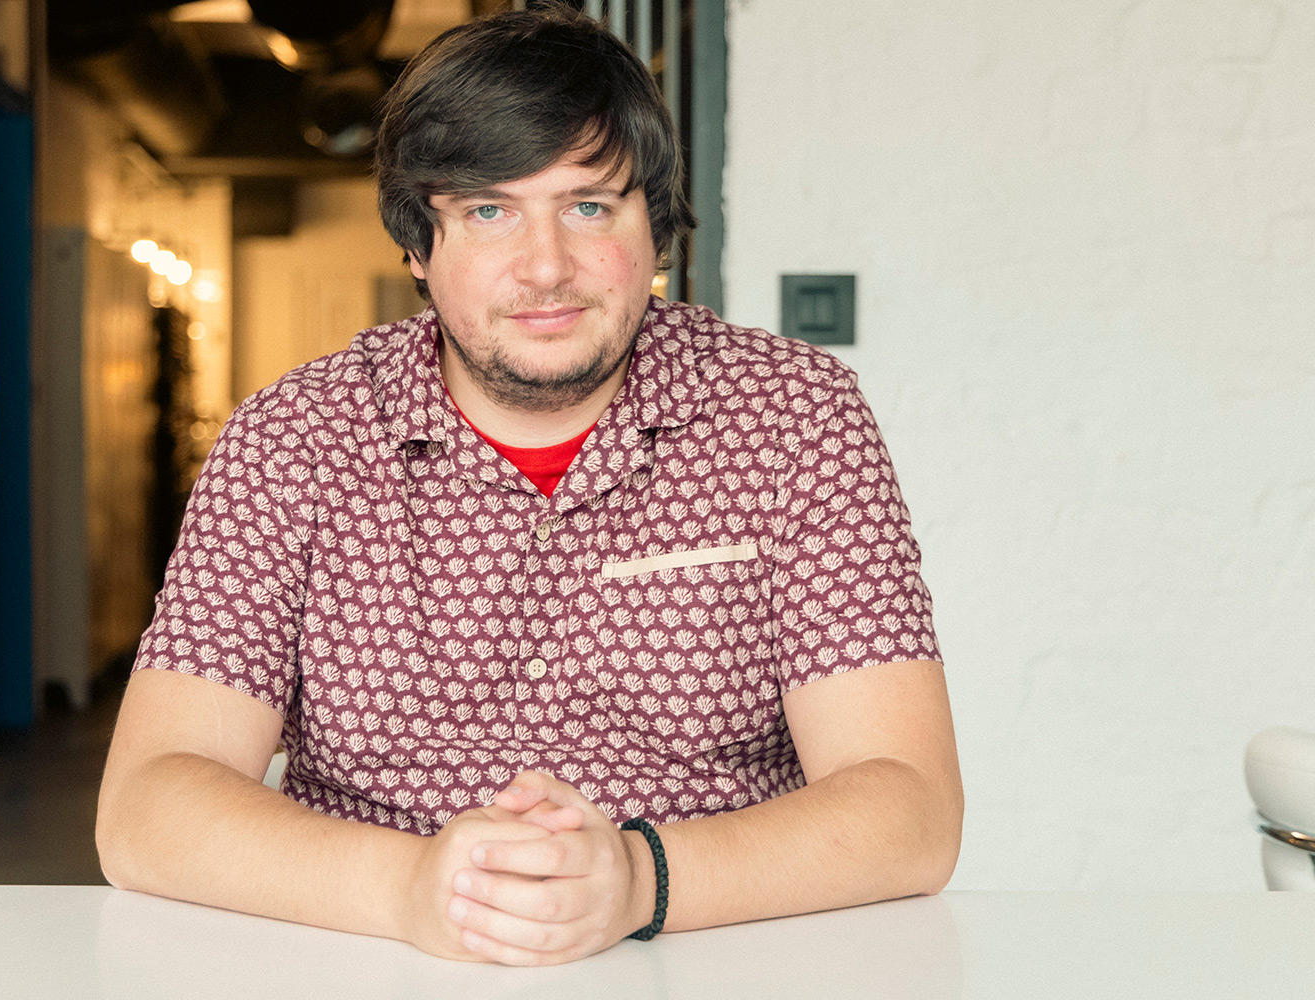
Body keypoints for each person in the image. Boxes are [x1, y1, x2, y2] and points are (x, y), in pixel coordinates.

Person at [96, 4, 962, 967]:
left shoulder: (794, 418)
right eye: (488, 211)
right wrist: (413, 890)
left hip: (716, 961)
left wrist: (637, 880)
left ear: (656, 227)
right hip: (370, 960)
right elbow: (147, 805)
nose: (547, 267)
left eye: (589, 206)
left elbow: (909, 807)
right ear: (418, 245)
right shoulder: (294, 439)